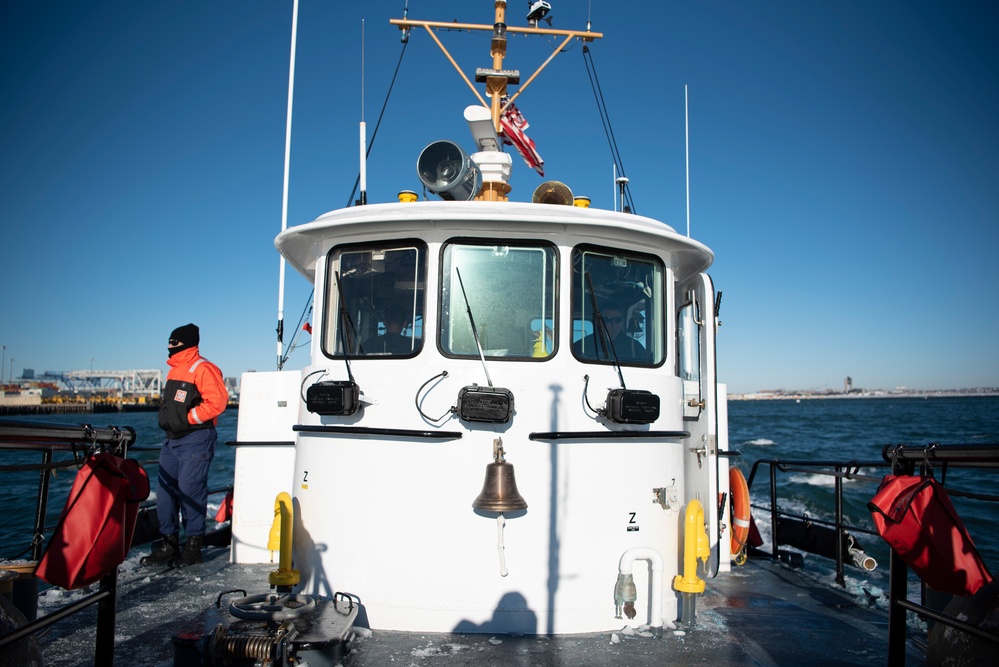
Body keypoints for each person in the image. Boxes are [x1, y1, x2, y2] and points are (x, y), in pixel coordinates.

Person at [144, 323, 228, 567]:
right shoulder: (174, 370)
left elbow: (217, 402)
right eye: (170, 341)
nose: (170, 346)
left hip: (196, 438)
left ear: (185, 342)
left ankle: (193, 547)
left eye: (174, 342)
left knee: (190, 491)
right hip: (171, 439)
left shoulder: (203, 368)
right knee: (165, 492)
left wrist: (188, 419)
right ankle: (169, 544)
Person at [573, 305, 648, 363]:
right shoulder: (582, 346)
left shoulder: (634, 347)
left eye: (617, 319)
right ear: (598, 322)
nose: (613, 324)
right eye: (608, 319)